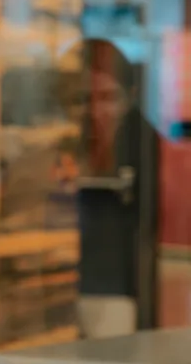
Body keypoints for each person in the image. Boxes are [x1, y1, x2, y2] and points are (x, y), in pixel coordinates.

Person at [61, 38, 159, 336]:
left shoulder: (144, 146)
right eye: (83, 100)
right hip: (61, 285)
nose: (94, 112)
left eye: (107, 98)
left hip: (115, 292)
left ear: (130, 96)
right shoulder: (60, 144)